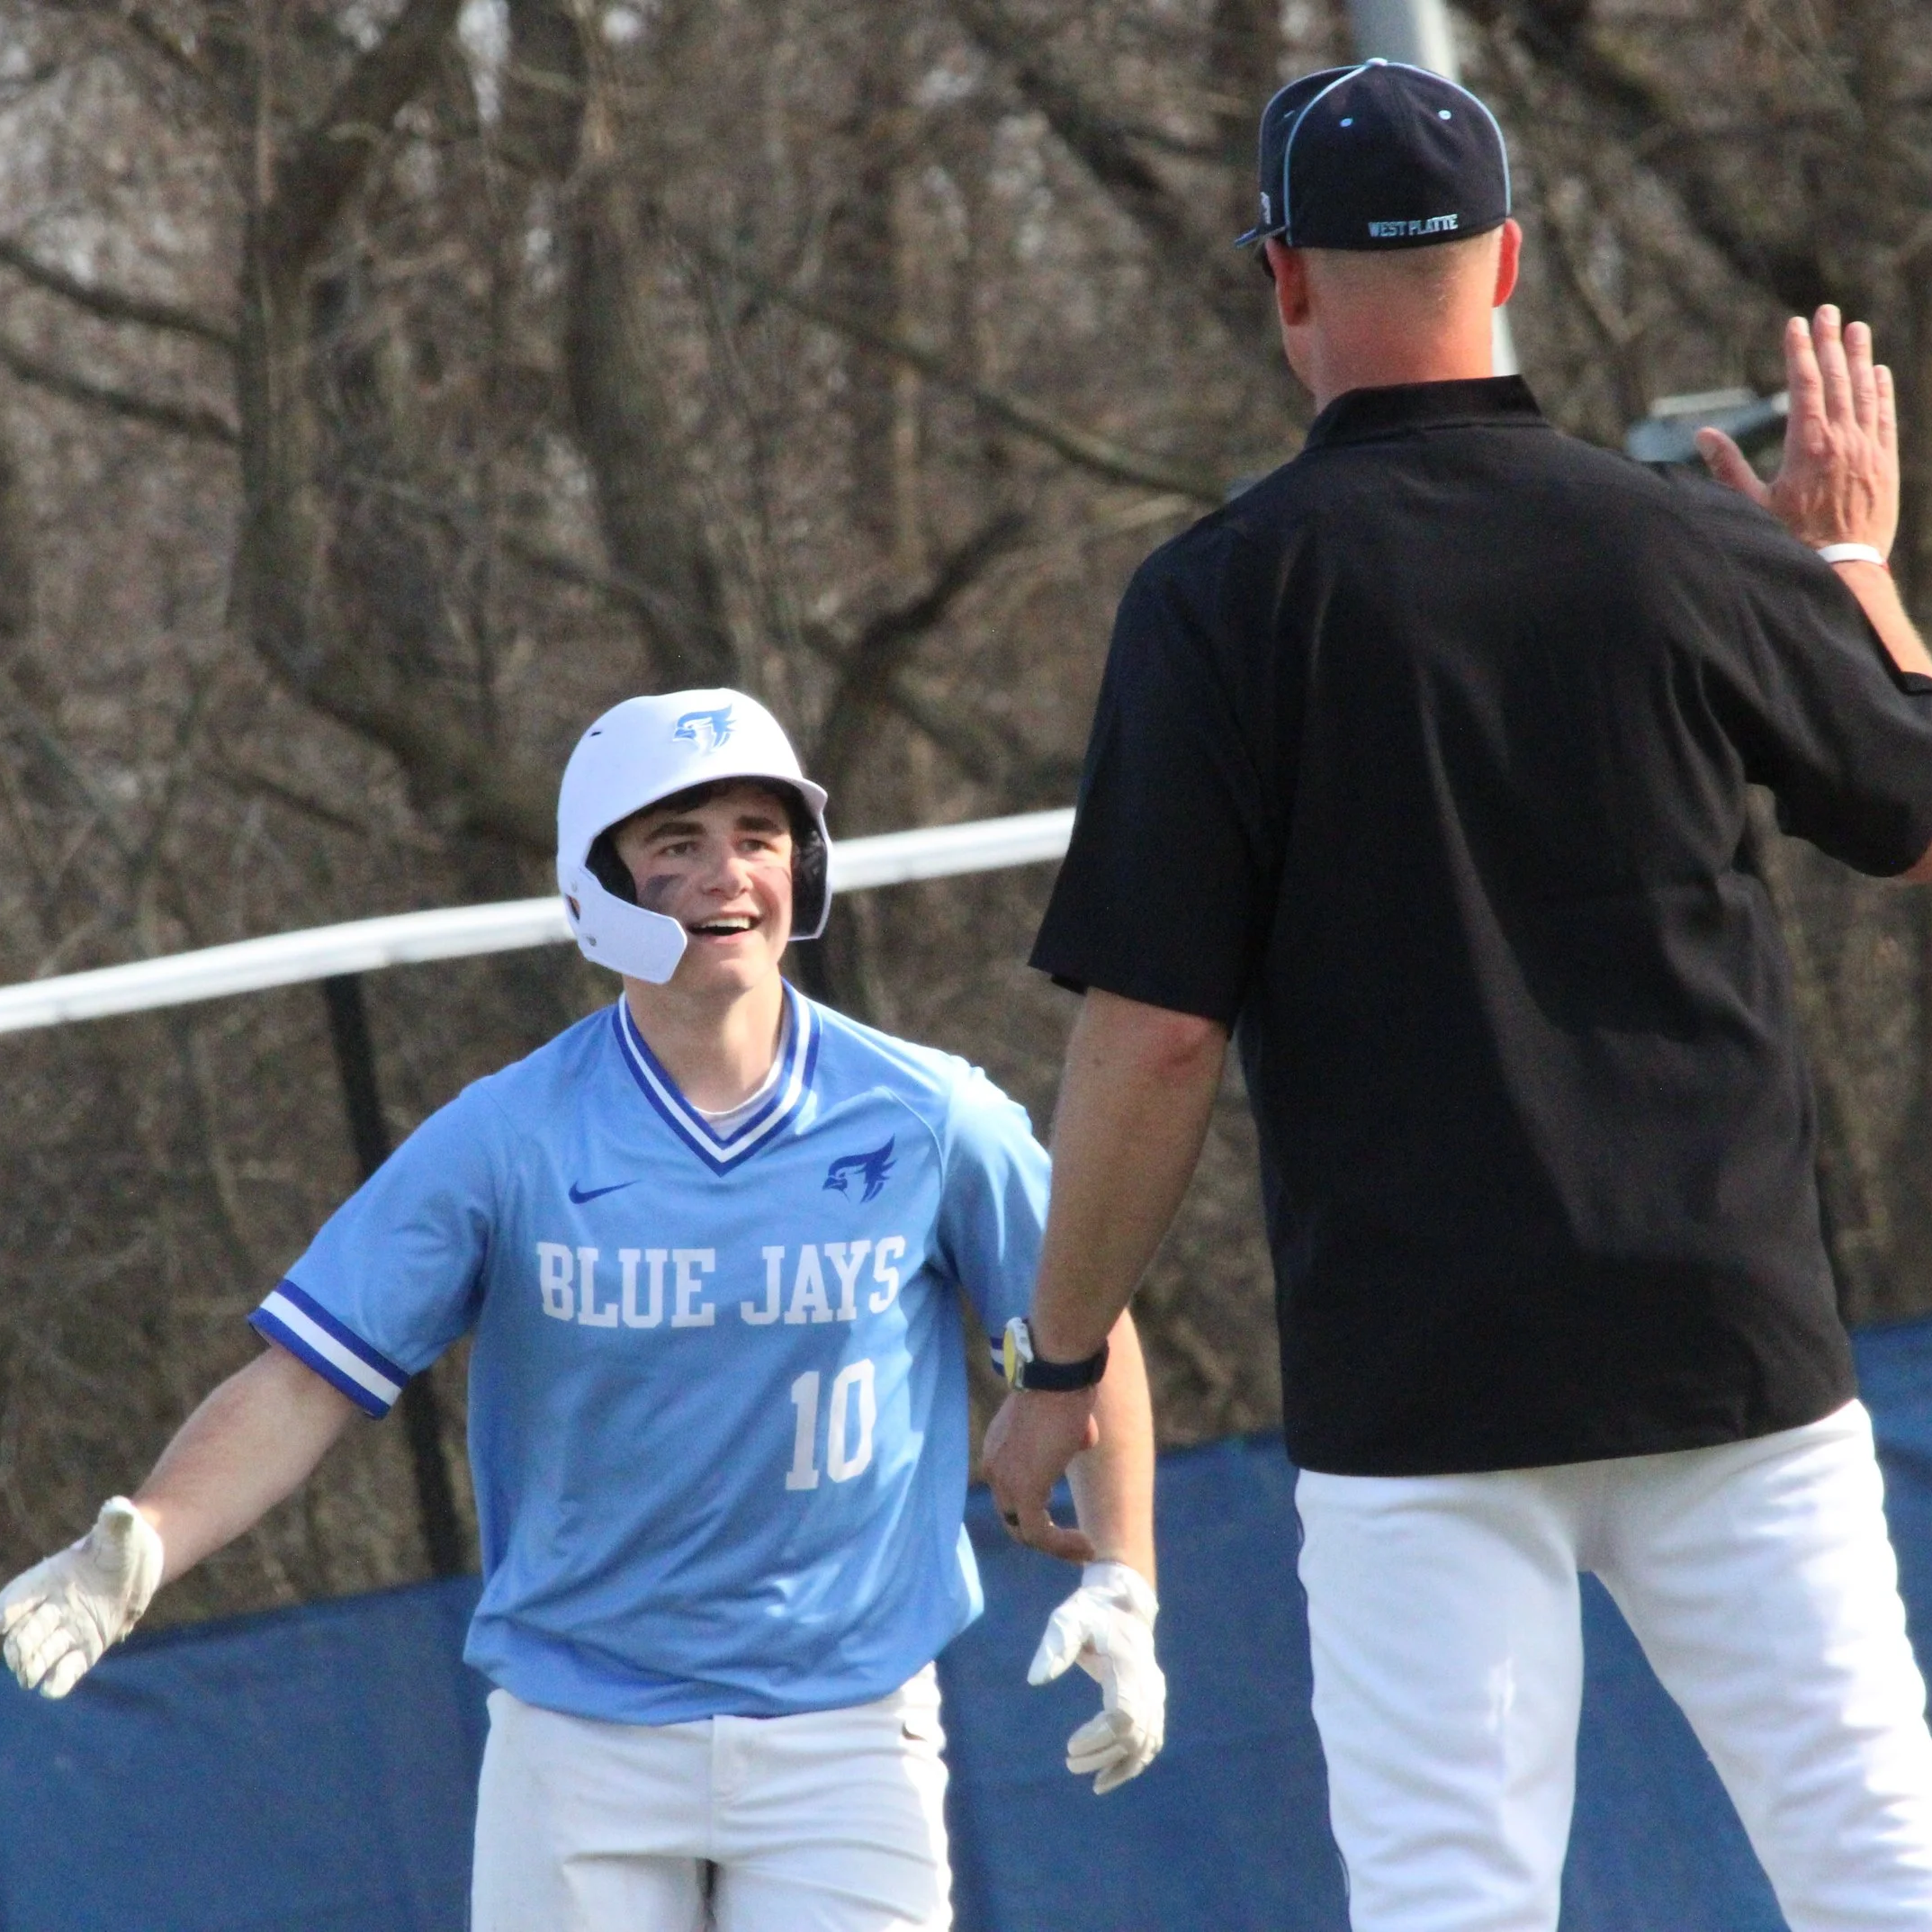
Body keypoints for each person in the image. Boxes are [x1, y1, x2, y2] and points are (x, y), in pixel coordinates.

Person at [982, 55, 1932, 1932]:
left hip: (1420, 1374)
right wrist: (1840, 567)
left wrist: (1063, 1363)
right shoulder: (1679, 540)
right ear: (1505, 258)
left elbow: (1155, 1029)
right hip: (1719, 1334)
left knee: (1449, 1903)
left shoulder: (1220, 596)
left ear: (1282, 279)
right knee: (1877, 1869)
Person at [0, 688, 1164, 1932]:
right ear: (594, 886)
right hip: (580, 1735)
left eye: (759, 835)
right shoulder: (506, 1136)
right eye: (677, 842)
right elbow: (307, 1379)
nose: (727, 873)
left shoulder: (929, 1115)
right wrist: (141, 1550)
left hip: (848, 1726)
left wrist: (1126, 1577)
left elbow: (1084, 1323)